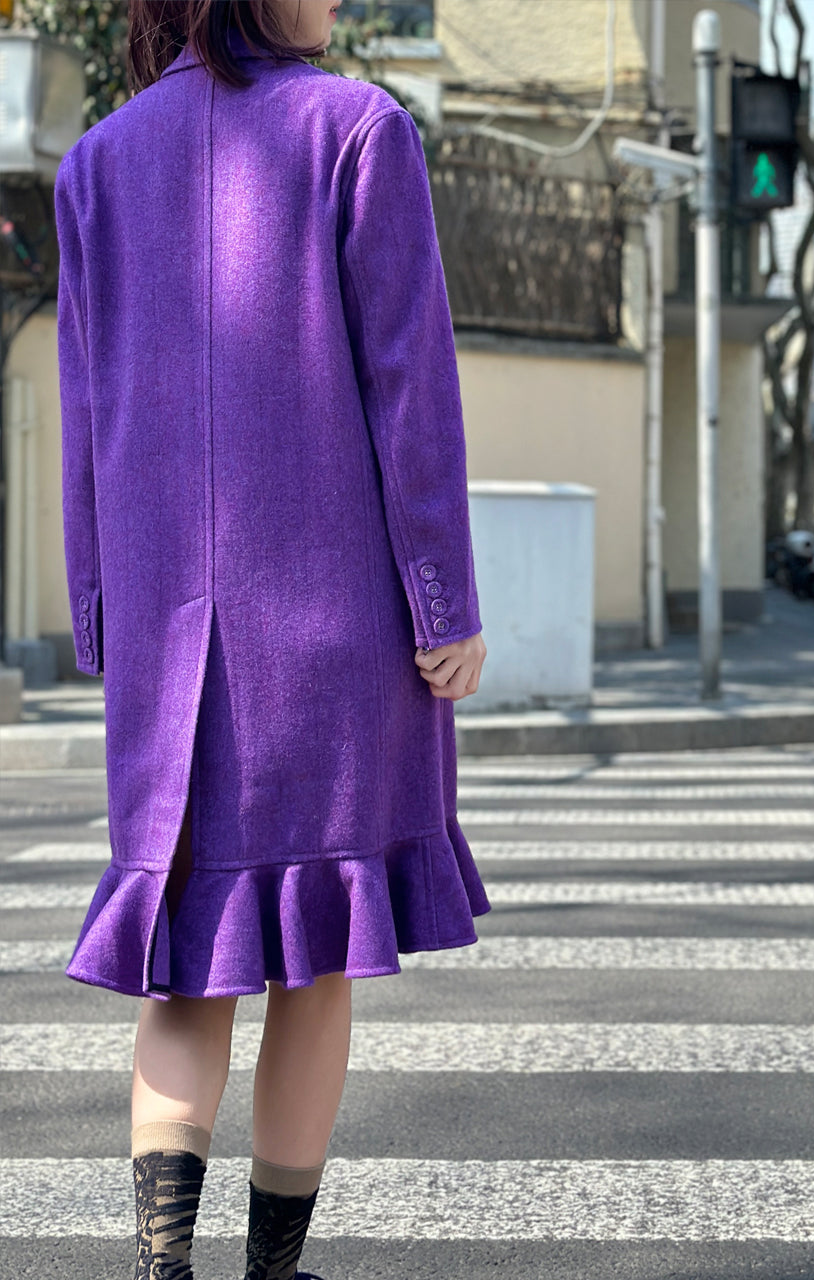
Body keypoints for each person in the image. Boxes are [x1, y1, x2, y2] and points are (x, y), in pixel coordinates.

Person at [54, 1, 489, 1276]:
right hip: (333, 628)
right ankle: (273, 1270)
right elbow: (410, 387)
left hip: (167, 637)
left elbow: (86, 412)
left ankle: (163, 1264)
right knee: (315, 959)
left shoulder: (95, 164)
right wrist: (443, 600)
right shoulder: (358, 130)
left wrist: (100, 608)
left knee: (183, 964)